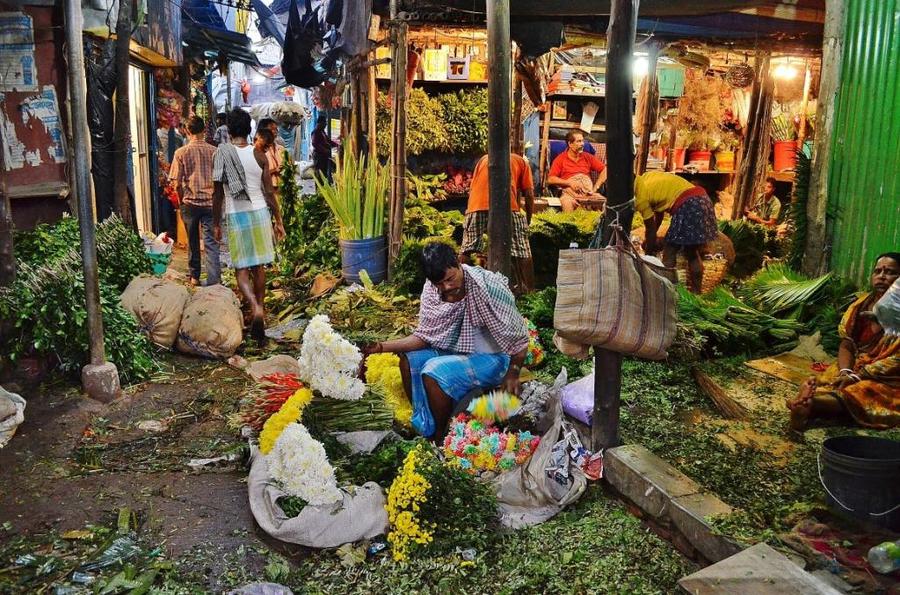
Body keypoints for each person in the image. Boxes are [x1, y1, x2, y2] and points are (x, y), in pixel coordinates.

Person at [361, 242, 530, 441]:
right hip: (457, 348)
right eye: (440, 283)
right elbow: (425, 336)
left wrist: (514, 372)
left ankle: (442, 436)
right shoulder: (432, 289)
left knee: (434, 371)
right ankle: (426, 425)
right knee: (409, 360)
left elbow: (520, 339)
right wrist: (380, 347)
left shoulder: (487, 286)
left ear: (458, 263)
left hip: (495, 357)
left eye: (450, 279)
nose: (447, 287)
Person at [787, 253, 900, 431]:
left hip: (890, 377)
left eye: (890, 272)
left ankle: (814, 404)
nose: (882, 276)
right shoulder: (860, 306)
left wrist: (859, 375)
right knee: (833, 378)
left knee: (866, 391)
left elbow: (896, 360)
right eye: (877, 271)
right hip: (858, 366)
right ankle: (812, 401)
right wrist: (847, 370)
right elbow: (846, 344)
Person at [212, 109, 286, 344]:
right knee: (258, 266)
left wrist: (216, 223)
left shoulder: (222, 154)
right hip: (260, 214)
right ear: (249, 130)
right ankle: (261, 307)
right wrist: (279, 220)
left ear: (229, 130)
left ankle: (254, 307)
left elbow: (217, 194)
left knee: (241, 269)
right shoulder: (259, 155)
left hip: (238, 215)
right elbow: (269, 192)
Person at [459, 152, 535, 295]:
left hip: (476, 204)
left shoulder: (484, 158)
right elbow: (529, 194)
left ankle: (461, 289)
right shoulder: (522, 162)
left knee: (467, 248)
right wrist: (529, 219)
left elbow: (474, 186)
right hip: (507, 206)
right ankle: (530, 292)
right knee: (522, 249)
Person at [636, 171, 719, 294]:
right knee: (692, 251)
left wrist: (648, 254)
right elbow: (658, 216)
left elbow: (650, 229)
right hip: (703, 199)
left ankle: (666, 292)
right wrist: (650, 240)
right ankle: (697, 293)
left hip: (688, 205)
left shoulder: (640, 197)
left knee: (670, 251)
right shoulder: (648, 177)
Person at [169, 116, 220, 287]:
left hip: (190, 203)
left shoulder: (180, 153)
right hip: (210, 202)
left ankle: (194, 277)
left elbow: (176, 182)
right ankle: (214, 279)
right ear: (204, 130)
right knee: (211, 242)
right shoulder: (214, 151)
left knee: (192, 241)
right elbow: (220, 180)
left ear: (187, 131)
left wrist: (180, 201)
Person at [546, 129, 607, 212]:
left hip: (588, 193)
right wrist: (569, 183)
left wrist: (595, 188)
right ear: (570, 144)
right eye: (578, 141)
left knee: (603, 202)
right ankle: (570, 225)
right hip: (570, 194)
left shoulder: (587, 157)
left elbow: (605, 170)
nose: (582, 144)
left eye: (582, 141)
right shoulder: (560, 159)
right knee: (566, 202)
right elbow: (551, 179)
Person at [257, 118, 283, 189]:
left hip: (281, 189)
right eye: (272, 129)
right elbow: (256, 174)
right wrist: (274, 170)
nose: (275, 132)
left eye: (276, 129)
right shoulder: (257, 150)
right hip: (266, 191)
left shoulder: (281, 149)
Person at [311, 116, 338, 181]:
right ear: (320, 123)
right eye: (324, 123)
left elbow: (328, 141)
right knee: (320, 174)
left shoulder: (322, 132)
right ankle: (319, 190)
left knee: (324, 173)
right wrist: (325, 150)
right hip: (319, 157)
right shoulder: (316, 132)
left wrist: (337, 145)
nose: (325, 124)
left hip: (324, 157)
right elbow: (315, 144)